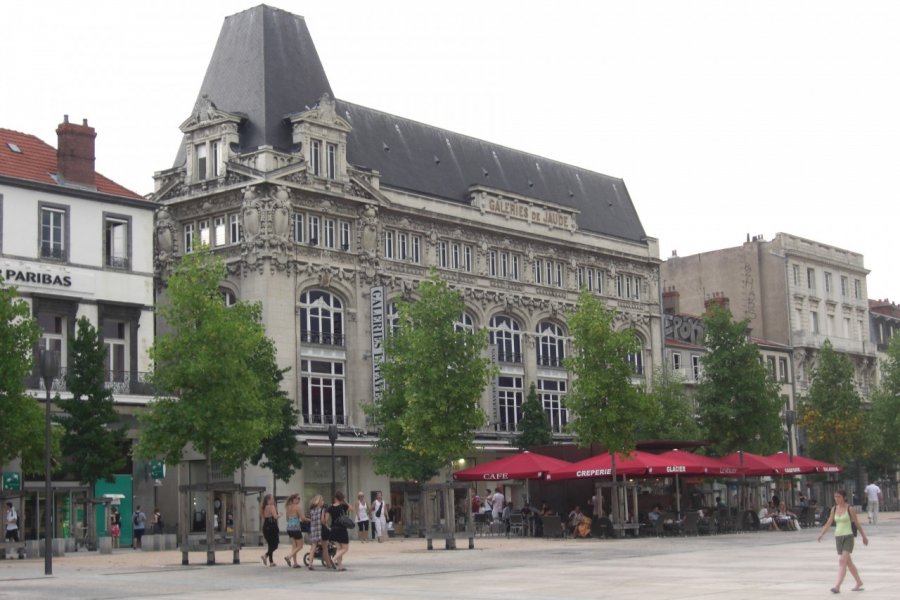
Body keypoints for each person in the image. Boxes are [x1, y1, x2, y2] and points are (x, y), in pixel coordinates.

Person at [817, 489, 868, 593]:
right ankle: (859, 582)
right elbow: (829, 522)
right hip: (838, 537)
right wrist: (822, 533)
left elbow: (857, 523)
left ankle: (837, 586)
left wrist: (864, 536)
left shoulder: (850, 509)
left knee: (842, 561)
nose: (837, 499)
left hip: (848, 536)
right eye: (835, 497)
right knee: (848, 562)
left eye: (839, 497)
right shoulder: (834, 509)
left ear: (844, 497)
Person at [306, 495, 333, 571]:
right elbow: (322, 521)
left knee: (313, 547)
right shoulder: (322, 510)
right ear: (319, 502)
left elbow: (312, 520)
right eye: (322, 501)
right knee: (325, 548)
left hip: (314, 529)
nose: (323, 502)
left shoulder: (312, 510)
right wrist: (328, 527)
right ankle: (328, 564)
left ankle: (310, 564)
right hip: (321, 529)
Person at [325, 491, 351, 571]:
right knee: (345, 548)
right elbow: (351, 508)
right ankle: (333, 559)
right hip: (342, 529)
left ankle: (340, 566)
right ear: (341, 498)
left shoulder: (330, 507)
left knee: (339, 548)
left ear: (335, 498)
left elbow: (325, 520)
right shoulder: (343, 506)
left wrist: (328, 527)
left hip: (334, 529)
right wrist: (345, 501)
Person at [283, 493, 306, 567]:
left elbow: (287, 519)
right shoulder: (298, 507)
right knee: (300, 546)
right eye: (297, 498)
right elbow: (303, 518)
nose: (299, 500)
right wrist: (310, 520)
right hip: (296, 528)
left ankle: (295, 563)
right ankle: (288, 557)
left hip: (289, 528)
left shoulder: (288, 507)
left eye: (299, 498)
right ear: (293, 499)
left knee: (294, 545)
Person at [260, 493, 279, 567]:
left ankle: (271, 561)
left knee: (270, 544)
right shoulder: (272, 506)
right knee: (275, 545)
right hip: (272, 525)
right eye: (272, 499)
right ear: (268, 500)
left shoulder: (263, 507)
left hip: (266, 526)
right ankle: (265, 555)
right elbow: (275, 516)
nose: (273, 500)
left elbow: (263, 518)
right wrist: (279, 515)